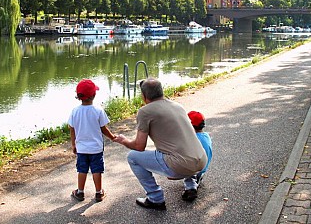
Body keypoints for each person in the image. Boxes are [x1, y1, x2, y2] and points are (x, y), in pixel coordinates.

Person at [114, 78, 207, 210]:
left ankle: (155, 198)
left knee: (132, 157)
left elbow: (139, 146)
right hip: (201, 161)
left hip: (180, 165)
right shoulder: (177, 106)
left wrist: (124, 140)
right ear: (161, 92)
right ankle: (191, 185)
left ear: (144, 96)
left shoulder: (145, 111)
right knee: (182, 149)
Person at [68, 79, 115, 202]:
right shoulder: (98, 110)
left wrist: (73, 144)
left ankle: (80, 192)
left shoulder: (74, 111)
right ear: (94, 95)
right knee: (97, 170)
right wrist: (112, 137)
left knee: (82, 170)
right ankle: (98, 193)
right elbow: (103, 128)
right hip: (96, 148)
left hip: (81, 148)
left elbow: (72, 129)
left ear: (78, 96)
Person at [182, 111, 213, 202]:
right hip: (204, 166)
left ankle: (191, 188)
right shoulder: (206, 136)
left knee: (188, 171)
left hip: (195, 168)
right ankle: (198, 177)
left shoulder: (191, 139)